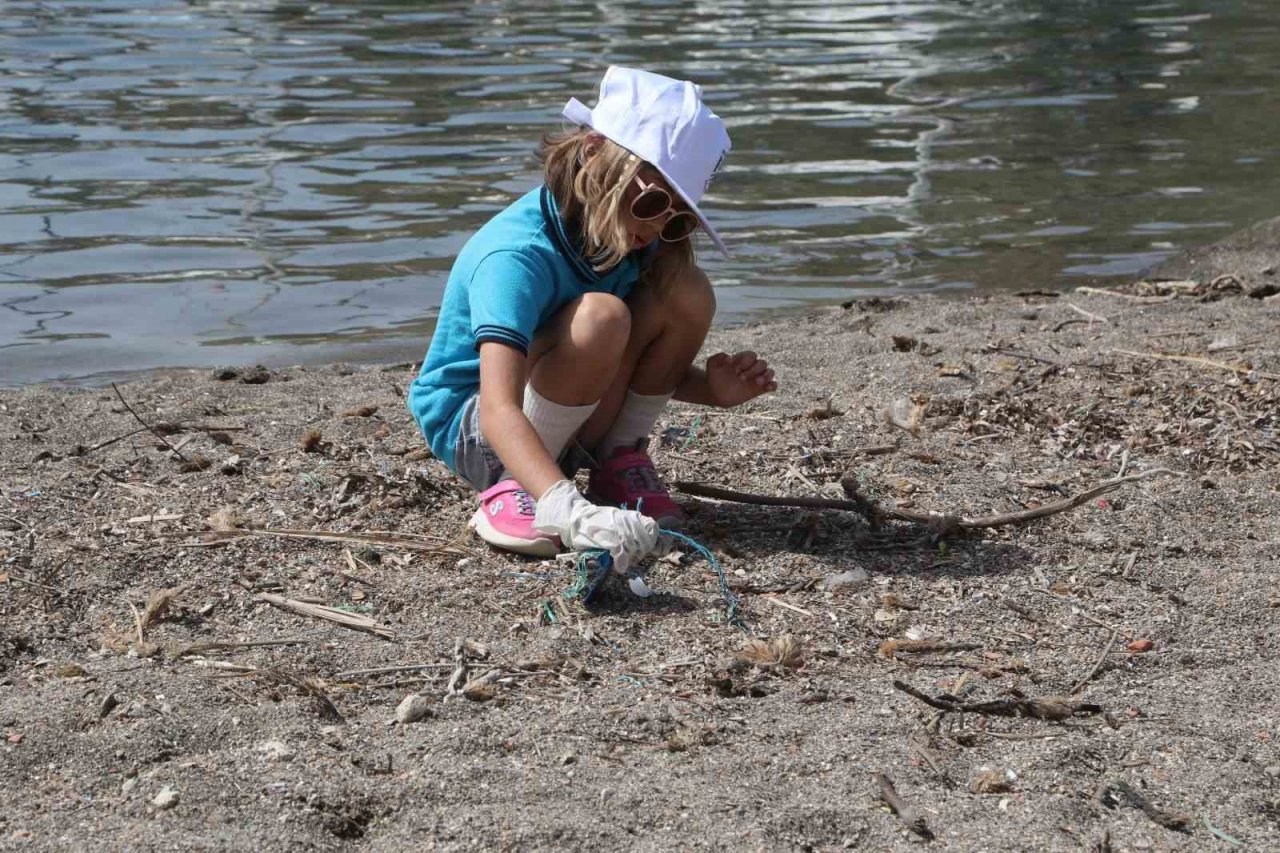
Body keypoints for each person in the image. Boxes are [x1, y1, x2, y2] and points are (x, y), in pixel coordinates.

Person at [407, 66, 777, 573]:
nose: (657, 225)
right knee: (602, 315)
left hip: (559, 414)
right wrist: (564, 506)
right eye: (651, 201)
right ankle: (516, 489)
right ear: (593, 153)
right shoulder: (515, 258)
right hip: (481, 432)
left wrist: (710, 390)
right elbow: (497, 406)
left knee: (686, 288)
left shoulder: (629, 237)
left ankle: (616, 463)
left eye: (679, 217)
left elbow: (609, 359)